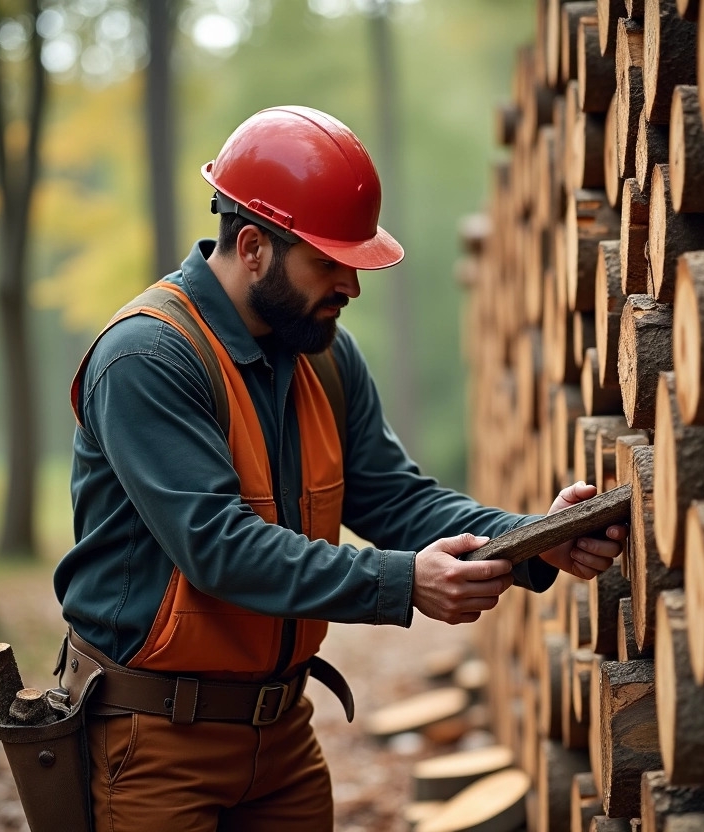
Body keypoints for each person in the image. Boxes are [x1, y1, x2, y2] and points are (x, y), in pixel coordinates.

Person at [52, 105, 627, 831]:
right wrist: (402, 581)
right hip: (154, 741)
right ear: (253, 247)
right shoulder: (147, 358)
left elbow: (395, 500)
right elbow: (218, 548)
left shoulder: (323, 353)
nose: (351, 286)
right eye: (328, 263)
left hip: (282, 735)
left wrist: (535, 537)